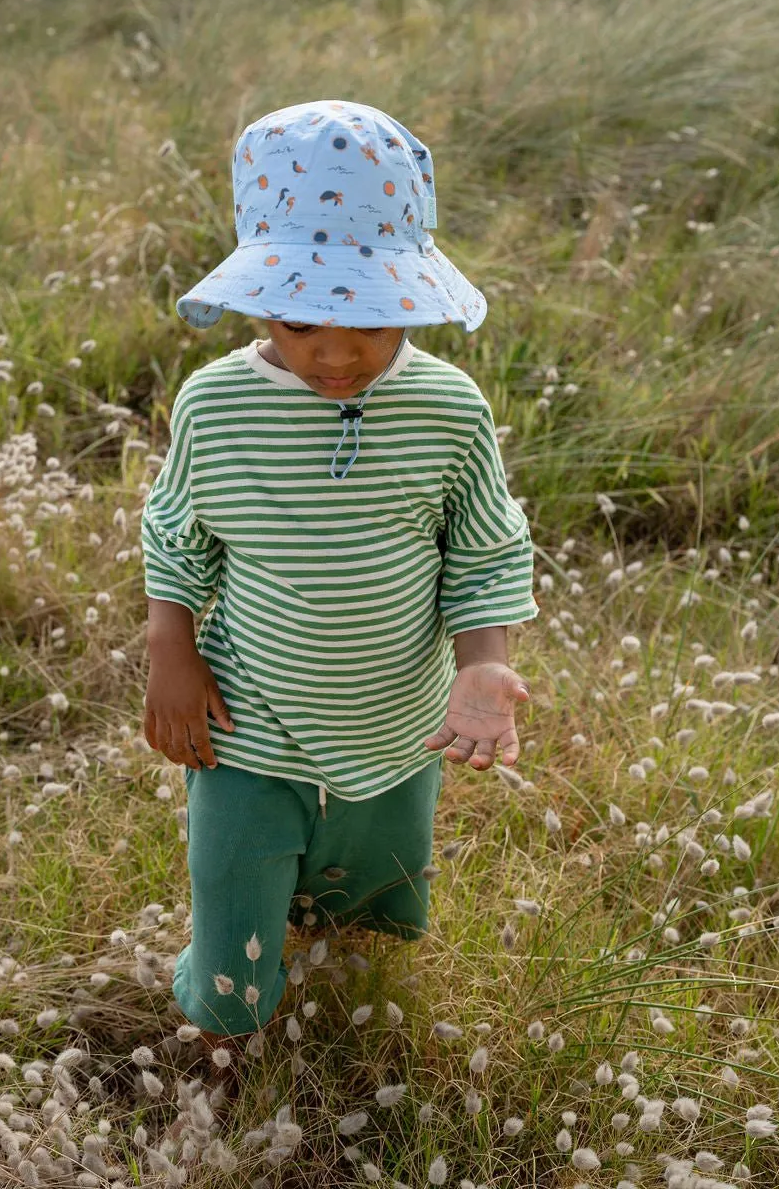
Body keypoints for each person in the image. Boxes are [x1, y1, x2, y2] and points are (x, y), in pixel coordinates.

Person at [141, 97, 538, 1061]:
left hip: (397, 711)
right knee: (233, 876)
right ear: (258, 298)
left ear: (408, 293)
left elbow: (483, 545)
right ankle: (228, 1027)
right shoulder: (219, 404)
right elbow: (177, 532)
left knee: (371, 890)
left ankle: (348, 1000)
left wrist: (483, 664)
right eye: (299, 317)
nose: (333, 350)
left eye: (364, 316)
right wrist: (170, 652)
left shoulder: (447, 407)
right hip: (248, 706)